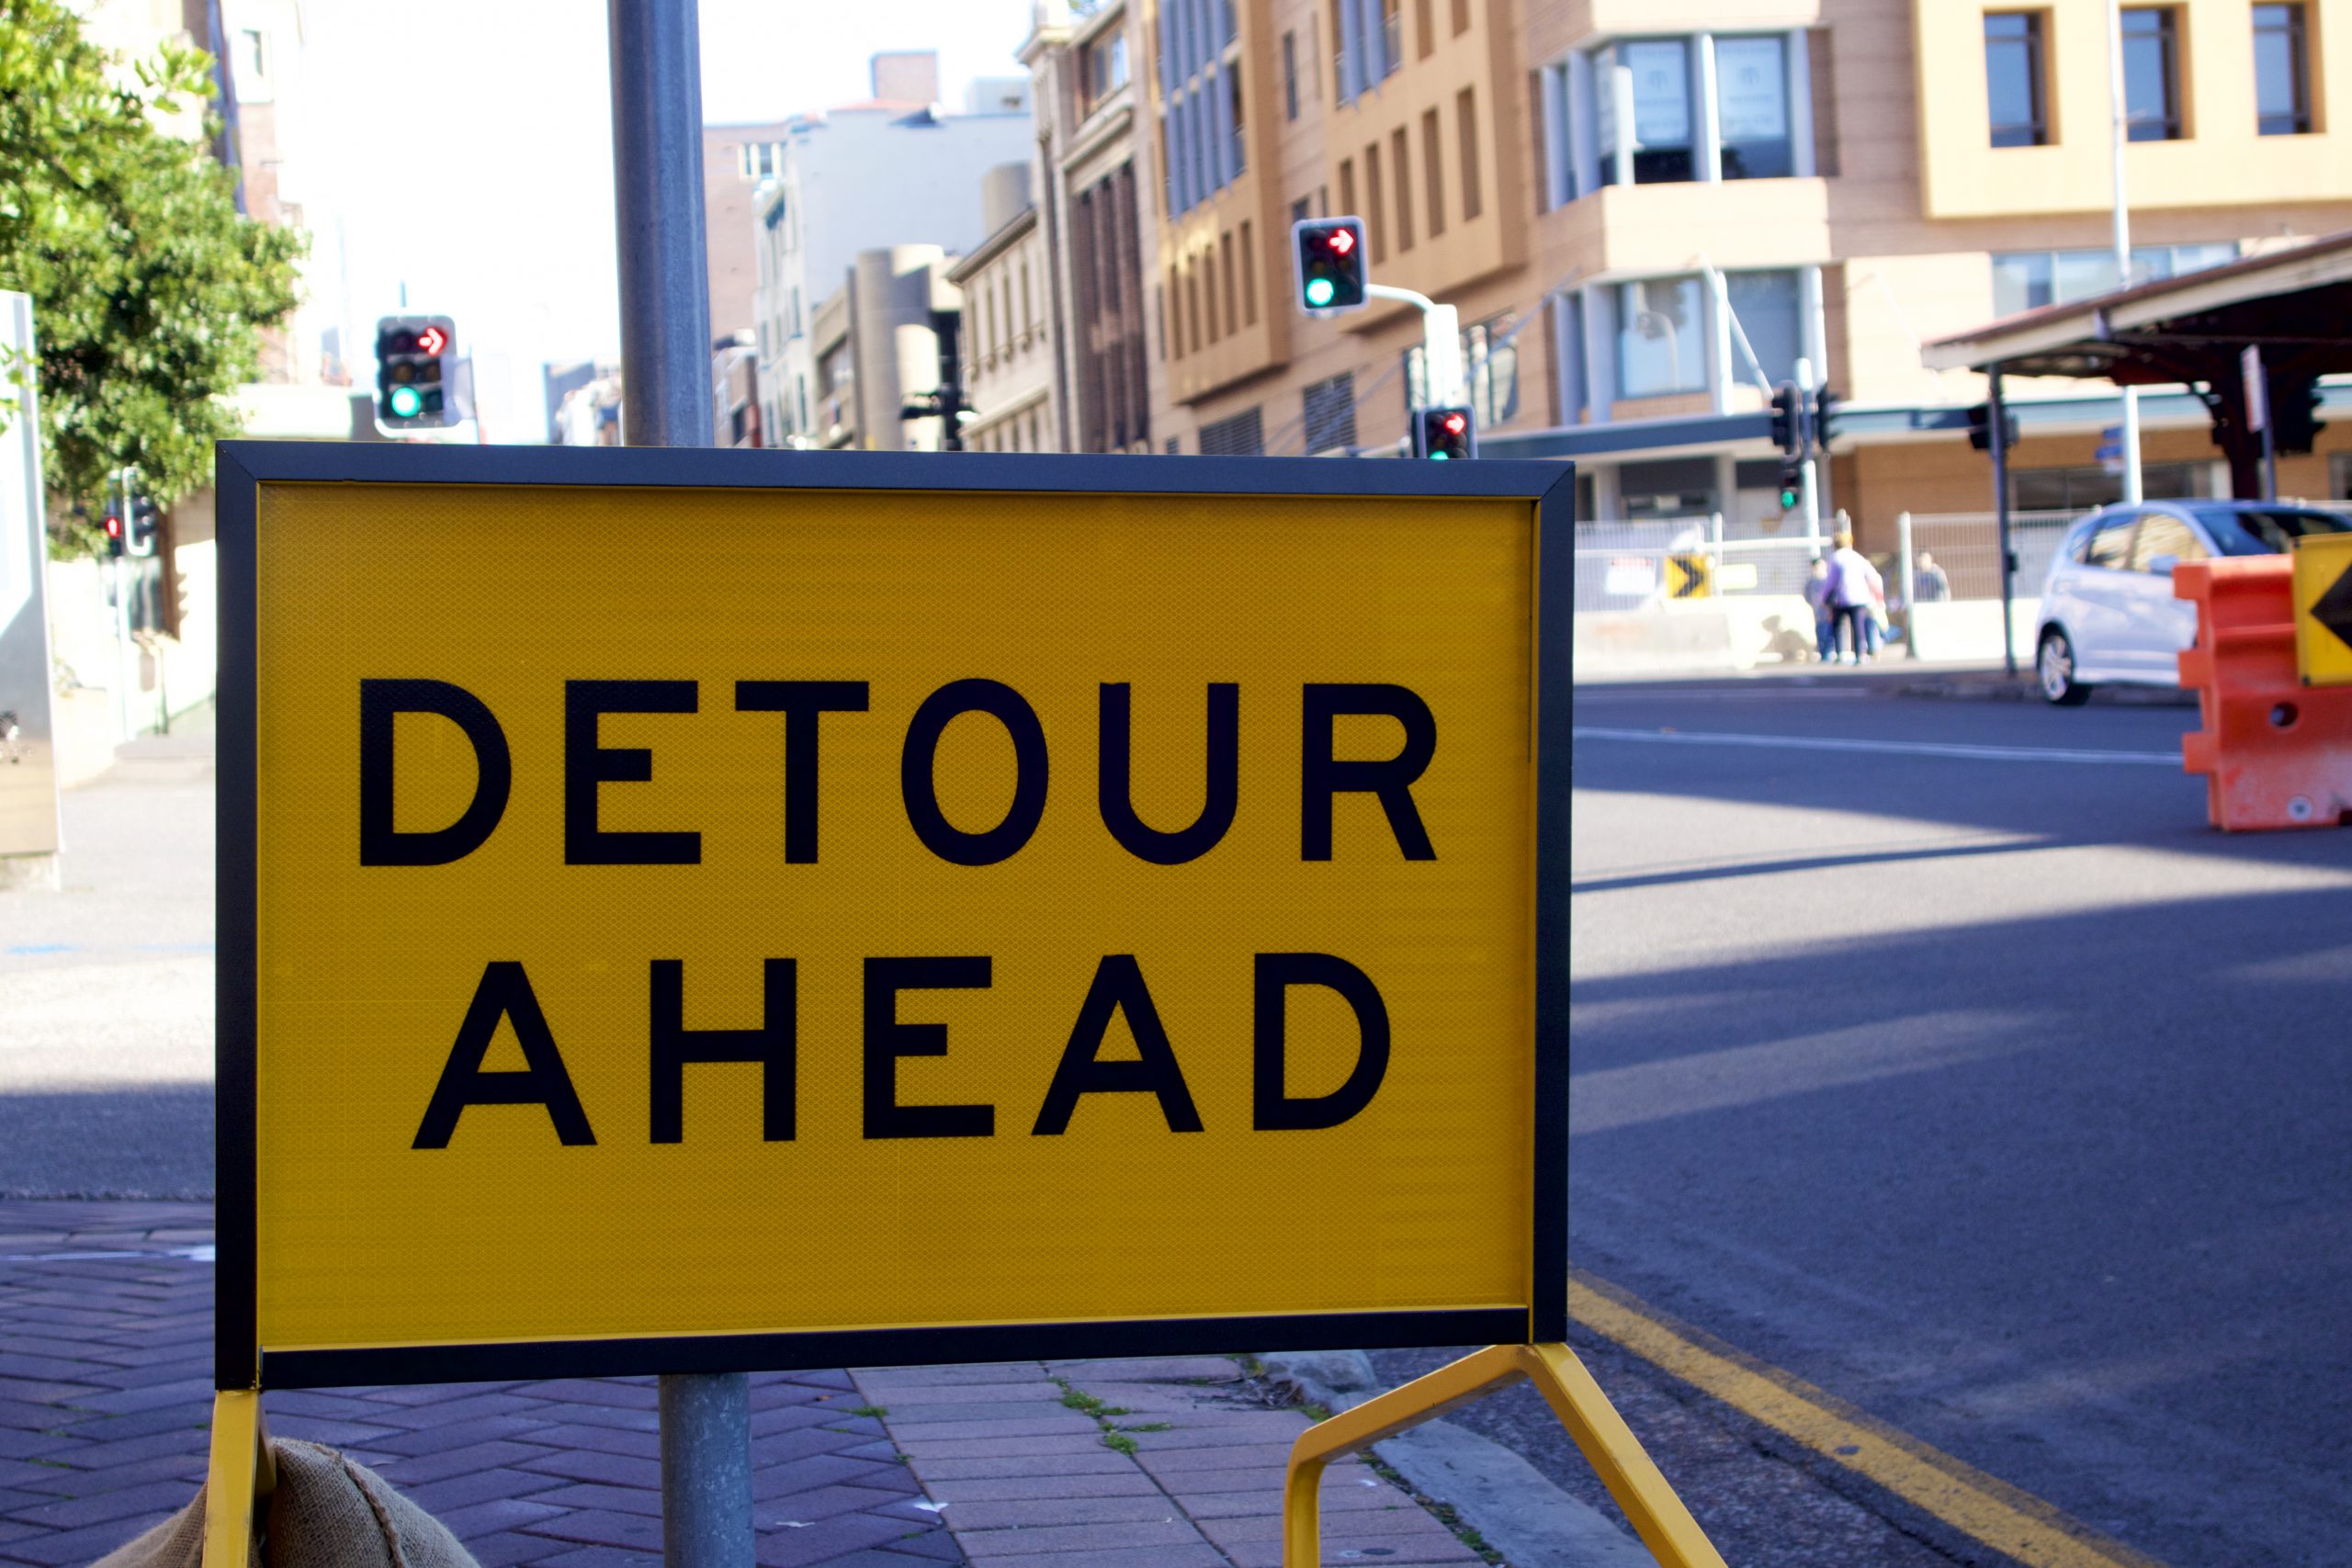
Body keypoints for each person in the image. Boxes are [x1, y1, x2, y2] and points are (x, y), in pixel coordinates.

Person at [1828, 531, 1883, 663]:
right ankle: (1861, 654)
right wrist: (1878, 596)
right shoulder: (1858, 557)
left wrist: (1825, 598)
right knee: (1858, 626)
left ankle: (1840, 652)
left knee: (1839, 625)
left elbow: (1830, 582)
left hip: (1840, 598)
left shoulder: (1835, 557)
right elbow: (1873, 577)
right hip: (1860, 598)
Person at [1804, 558, 1838, 662]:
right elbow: (1807, 595)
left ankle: (1829, 652)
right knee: (1820, 631)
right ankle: (1822, 652)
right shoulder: (1811, 582)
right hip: (1818, 612)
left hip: (1828, 611)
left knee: (1829, 631)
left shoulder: (1828, 580)